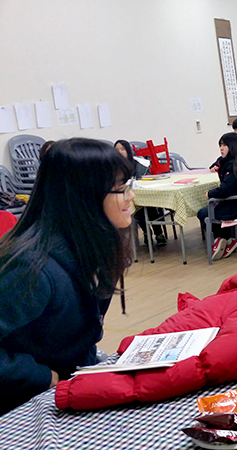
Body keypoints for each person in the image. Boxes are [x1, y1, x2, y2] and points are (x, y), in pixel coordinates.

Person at [0, 138, 134, 414]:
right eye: (121, 189)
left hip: (68, 383)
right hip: (22, 405)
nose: (130, 196)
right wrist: (42, 377)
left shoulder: (93, 248)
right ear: (84, 196)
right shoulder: (31, 269)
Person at [197, 133, 237, 260]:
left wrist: (210, 194)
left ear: (233, 146)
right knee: (212, 208)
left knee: (203, 213)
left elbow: (226, 189)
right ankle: (227, 240)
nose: (221, 148)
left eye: (224, 145)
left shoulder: (232, 165)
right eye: (220, 145)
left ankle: (223, 239)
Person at [115, 139, 167, 247]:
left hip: (144, 193)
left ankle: (159, 233)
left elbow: (144, 179)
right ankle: (146, 232)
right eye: (117, 150)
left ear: (128, 150)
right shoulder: (114, 166)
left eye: (122, 149)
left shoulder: (138, 164)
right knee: (137, 210)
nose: (120, 152)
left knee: (152, 207)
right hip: (128, 196)